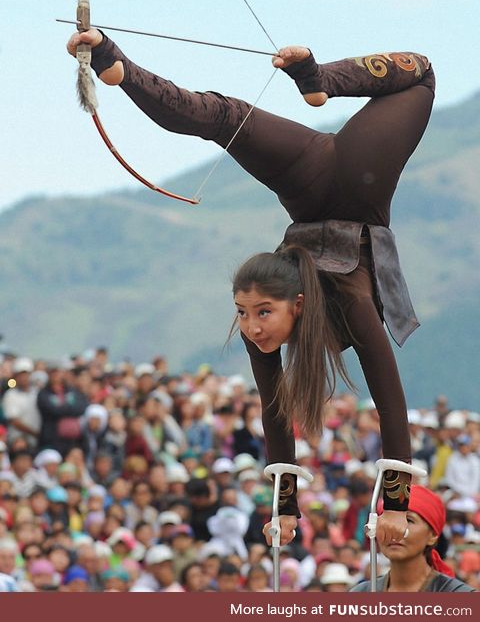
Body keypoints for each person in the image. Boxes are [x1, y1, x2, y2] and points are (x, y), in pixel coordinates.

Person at [67, 28, 436, 549]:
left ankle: (119, 63)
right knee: (414, 73)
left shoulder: (280, 317)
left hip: (320, 181)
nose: (250, 327)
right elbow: (327, 406)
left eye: (258, 313)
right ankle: (117, 62)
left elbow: (380, 410)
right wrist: (291, 508)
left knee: (231, 116)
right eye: (244, 313)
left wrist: (392, 504)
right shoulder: (352, 306)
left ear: (293, 303)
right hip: (358, 185)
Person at [350, 485, 477, 592]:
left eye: (409, 520)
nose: (396, 530)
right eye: (388, 521)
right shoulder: (359, 594)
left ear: (432, 536)